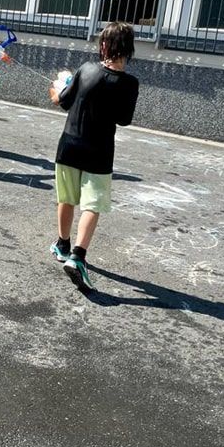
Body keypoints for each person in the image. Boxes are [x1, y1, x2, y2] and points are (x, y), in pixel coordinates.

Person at [49, 21, 140, 291]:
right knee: (92, 204)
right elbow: (124, 119)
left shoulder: (86, 69)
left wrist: (55, 89)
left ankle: (62, 244)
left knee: (66, 198)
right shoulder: (130, 83)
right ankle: (78, 256)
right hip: (99, 150)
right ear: (128, 49)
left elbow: (62, 101)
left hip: (69, 144)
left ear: (104, 46)